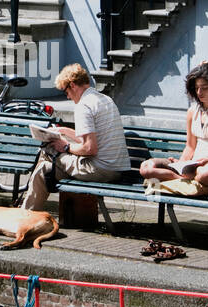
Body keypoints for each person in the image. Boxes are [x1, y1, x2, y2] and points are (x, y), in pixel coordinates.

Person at [21, 64, 130, 211]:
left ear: (72, 85)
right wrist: (65, 131)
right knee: (44, 169)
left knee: (48, 150)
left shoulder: (83, 106)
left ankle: (23, 215)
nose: (67, 96)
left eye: (66, 91)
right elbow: (91, 141)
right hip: (115, 169)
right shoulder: (105, 99)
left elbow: (90, 148)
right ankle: (26, 211)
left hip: (98, 169)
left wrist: (65, 147)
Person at [139, 63, 208, 192]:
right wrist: (180, 163)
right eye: (197, 88)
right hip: (192, 165)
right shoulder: (193, 111)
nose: (199, 92)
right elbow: (190, 146)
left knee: (207, 173)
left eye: (205, 88)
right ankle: (183, 178)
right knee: (146, 167)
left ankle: (182, 180)